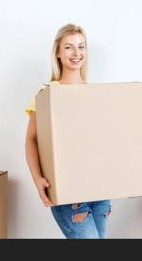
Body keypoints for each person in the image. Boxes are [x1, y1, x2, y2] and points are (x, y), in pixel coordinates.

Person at [24, 23, 111, 239]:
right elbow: (31, 140)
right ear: (57, 52)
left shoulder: (97, 95)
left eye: (81, 47)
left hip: (100, 188)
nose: (76, 53)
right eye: (69, 47)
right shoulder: (47, 94)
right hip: (67, 189)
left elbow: (106, 140)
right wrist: (38, 179)